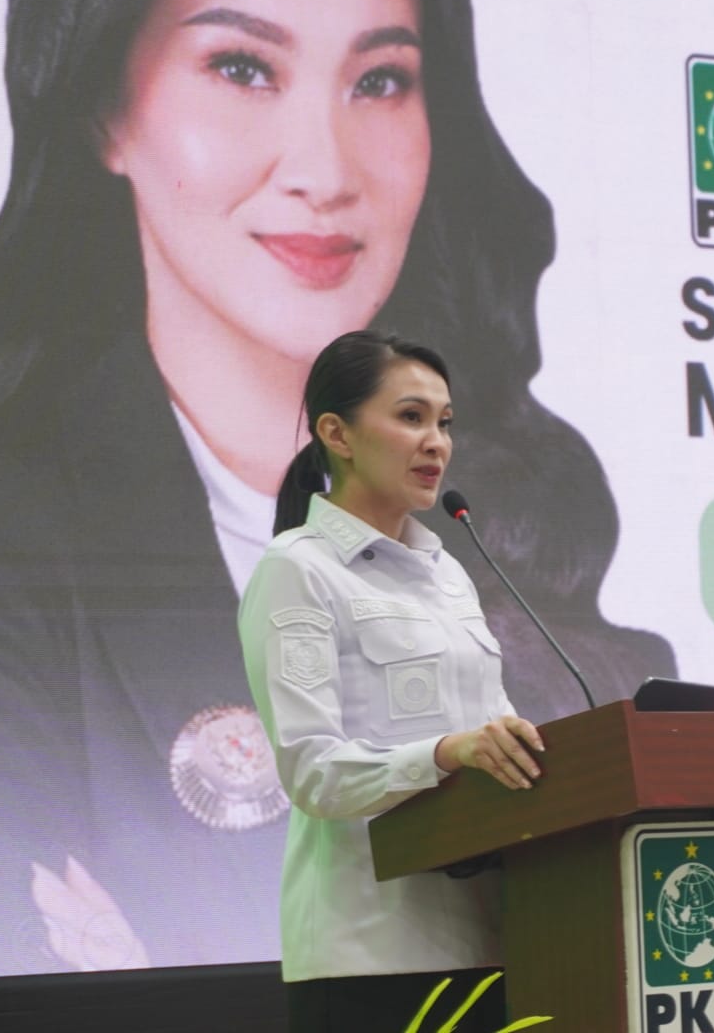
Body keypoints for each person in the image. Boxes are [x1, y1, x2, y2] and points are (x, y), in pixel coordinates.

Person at [0, 0, 673, 978]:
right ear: (102, 111)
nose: (326, 169)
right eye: (243, 68)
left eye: (379, 81)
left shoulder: (481, 521)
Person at [241, 329, 539, 1032]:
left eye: (445, 423)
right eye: (411, 417)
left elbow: (490, 734)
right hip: (370, 955)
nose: (437, 443)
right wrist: (447, 753)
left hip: (490, 941)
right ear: (336, 434)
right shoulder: (298, 569)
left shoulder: (448, 573)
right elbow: (313, 772)